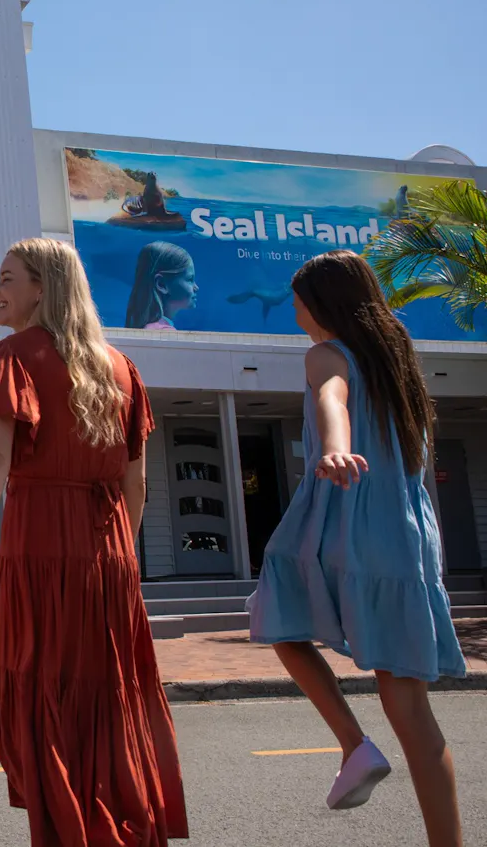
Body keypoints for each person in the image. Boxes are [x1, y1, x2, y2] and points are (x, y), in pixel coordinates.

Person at [0, 237, 188, 846]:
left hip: (40, 544)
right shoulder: (120, 367)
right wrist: (121, 556)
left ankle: (72, 828)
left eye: (6, 278)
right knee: (107, 694)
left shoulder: (9, 358)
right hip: (108, 550)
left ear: (42, 288)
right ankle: (117, 819)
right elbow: (136, 482)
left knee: (40, 688)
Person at [249, 250, 464, 846]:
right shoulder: (399, 366)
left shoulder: (326, 354)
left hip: (346, 518)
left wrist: (335, 448)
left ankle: (353, 745)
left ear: (321, 304)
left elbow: (331, 398)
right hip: (406, 537)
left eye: (297, 300)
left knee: (276, 614)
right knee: (412, 711)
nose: (293, 309)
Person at [124, 241, 197, 330]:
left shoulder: (147, 328)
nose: (196, 288)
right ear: (161, 284)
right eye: (190, 279)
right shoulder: (165, 332)